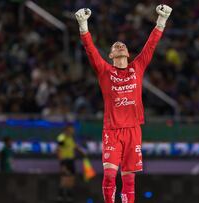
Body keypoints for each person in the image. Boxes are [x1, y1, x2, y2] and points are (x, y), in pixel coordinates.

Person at [75, 4, 172, 203]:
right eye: (115, 46)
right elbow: (91, 50)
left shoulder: (137, 67)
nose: (120, 45)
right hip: (112, 130)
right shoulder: (105, 71)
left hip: (133, 130)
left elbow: (151, 46)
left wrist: (161, 21)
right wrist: (83, 26)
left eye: (123, 46)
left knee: (129, 180)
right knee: (110, 176)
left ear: (128, 54)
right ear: (111, 55)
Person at [56, 125, 86, 203]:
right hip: (65, 161)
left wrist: (81, 152)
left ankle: (69, 196)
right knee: (65, 179)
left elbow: (75, 147)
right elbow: (58, 150)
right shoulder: (62, 138)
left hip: (71, 161)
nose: (72, 131)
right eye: (71, 130)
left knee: (71, 179)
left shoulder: (70, 138)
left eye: (72, 130)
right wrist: (62, 164)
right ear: (66, 130)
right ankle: (61, 196)